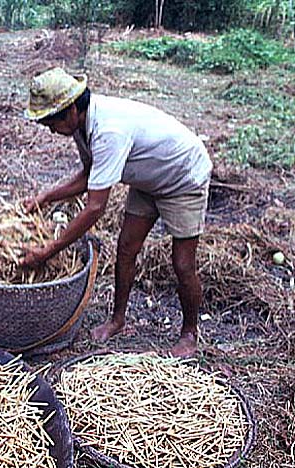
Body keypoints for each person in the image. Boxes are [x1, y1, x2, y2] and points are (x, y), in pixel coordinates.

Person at [21, 67, 212, 358]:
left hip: (183, 177)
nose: (50, 129)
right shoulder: (82, 125)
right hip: (147, 179)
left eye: (51, 122)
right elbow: (90, 175)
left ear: (71, 110)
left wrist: (50, 250)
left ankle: (189, 333)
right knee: (126, 249)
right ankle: (118, 320)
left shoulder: (109, 130)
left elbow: (96, 208)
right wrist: (46, 197)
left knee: (183, 264)